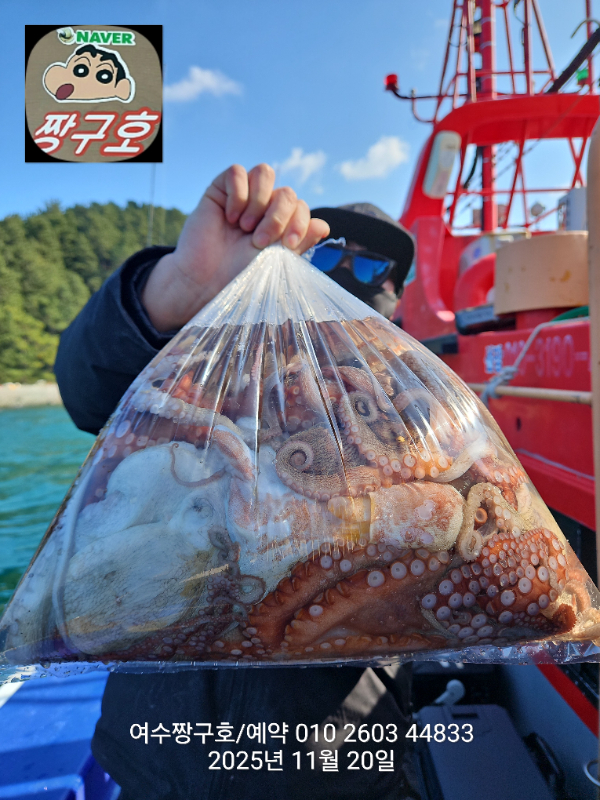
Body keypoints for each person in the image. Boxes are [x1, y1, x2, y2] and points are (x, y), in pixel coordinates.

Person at [54, 163, 419, 800]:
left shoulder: (423, 403)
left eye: (371, 267)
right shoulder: (220, 359)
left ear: (395, 292)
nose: (346, 272)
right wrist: (183, 286)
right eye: (330, 252)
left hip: (335, 757)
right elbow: (89, 393)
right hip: (155, 750)